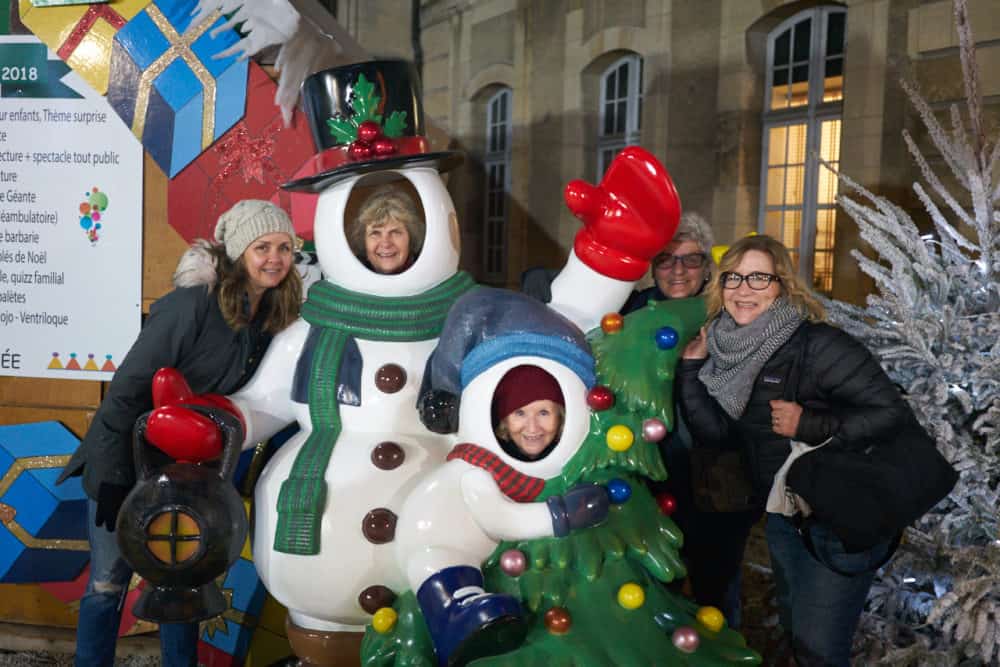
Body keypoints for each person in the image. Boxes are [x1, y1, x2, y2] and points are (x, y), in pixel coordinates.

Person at [57, 200, 302, 667]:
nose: (275, 257)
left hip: (190, 473)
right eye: (262, 246)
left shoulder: (273, 313)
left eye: (284, 247)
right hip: (128, 460)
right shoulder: (191, 305)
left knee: (180, 586)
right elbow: (125, 392)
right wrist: (113, 477)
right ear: (236, 252)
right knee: (107, 584)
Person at [677, 234, 904, 666]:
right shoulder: (726, 349)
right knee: (798, 636)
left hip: (840, 517)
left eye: (759, 277)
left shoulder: (816, 344)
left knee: (819, 649)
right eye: (734, 277)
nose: (744, 290)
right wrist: (691, 371)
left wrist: (809, 422)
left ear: (782, 284)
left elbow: (888, 414)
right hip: (785, 515)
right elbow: (719, 436)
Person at [624, 212, 760, 629]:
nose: (677, 271)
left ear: (708, 266)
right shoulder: (632, 313)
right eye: (665, 260)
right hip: (647, 478)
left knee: (715, 597)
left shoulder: (731, 315)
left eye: (690, 259)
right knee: (652, 595)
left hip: (715, 483)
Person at [492, 365, 566, 462]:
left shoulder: (577, 455)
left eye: (543, 413)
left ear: (560, 417)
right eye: (520, 413)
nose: (532, 429)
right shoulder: (488, 457)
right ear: (505, 421)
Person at [347, 184, 424, 274]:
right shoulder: (350, 275)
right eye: (375, 233)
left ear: (411, 238)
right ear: (363, 241)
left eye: (395, 232)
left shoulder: (429, 272)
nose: (386, 243)